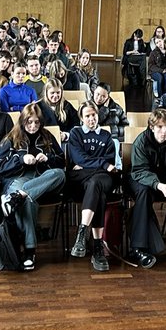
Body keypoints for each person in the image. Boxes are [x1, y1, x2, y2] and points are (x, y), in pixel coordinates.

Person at [0, 103, 65, 271]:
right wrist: (21, 159)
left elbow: (62, 161)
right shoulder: (12, 137)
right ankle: (30, 251)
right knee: (29, 202)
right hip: (18, 178)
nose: (33, 126)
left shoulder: (47, 136)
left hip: (42, 179)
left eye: (36, 122)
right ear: (23, 121)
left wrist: (47, 158)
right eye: (29, 122)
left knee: (60, 174)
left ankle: (19, 195)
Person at [127, 108, 166, 268]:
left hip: (164, 180)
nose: (164, 131)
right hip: (140, 178)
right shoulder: (141, 141)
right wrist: (159, 185)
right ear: (152, 127)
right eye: (160, 127)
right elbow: (140, 170)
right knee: (144, 193)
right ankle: (138, 248)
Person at [67, 101, 117, 273]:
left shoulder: (106, 135)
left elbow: (110, 161)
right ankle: (97, 248)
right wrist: (101, 164)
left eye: (93, 115)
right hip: (81, 182)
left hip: (101, 178)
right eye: (87, 116)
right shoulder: (75, 133)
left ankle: (82, 234)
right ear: (81, 117)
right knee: (98, 192)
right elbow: (79, 158)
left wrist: (89, 165)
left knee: (97, 183)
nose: (91, 119)